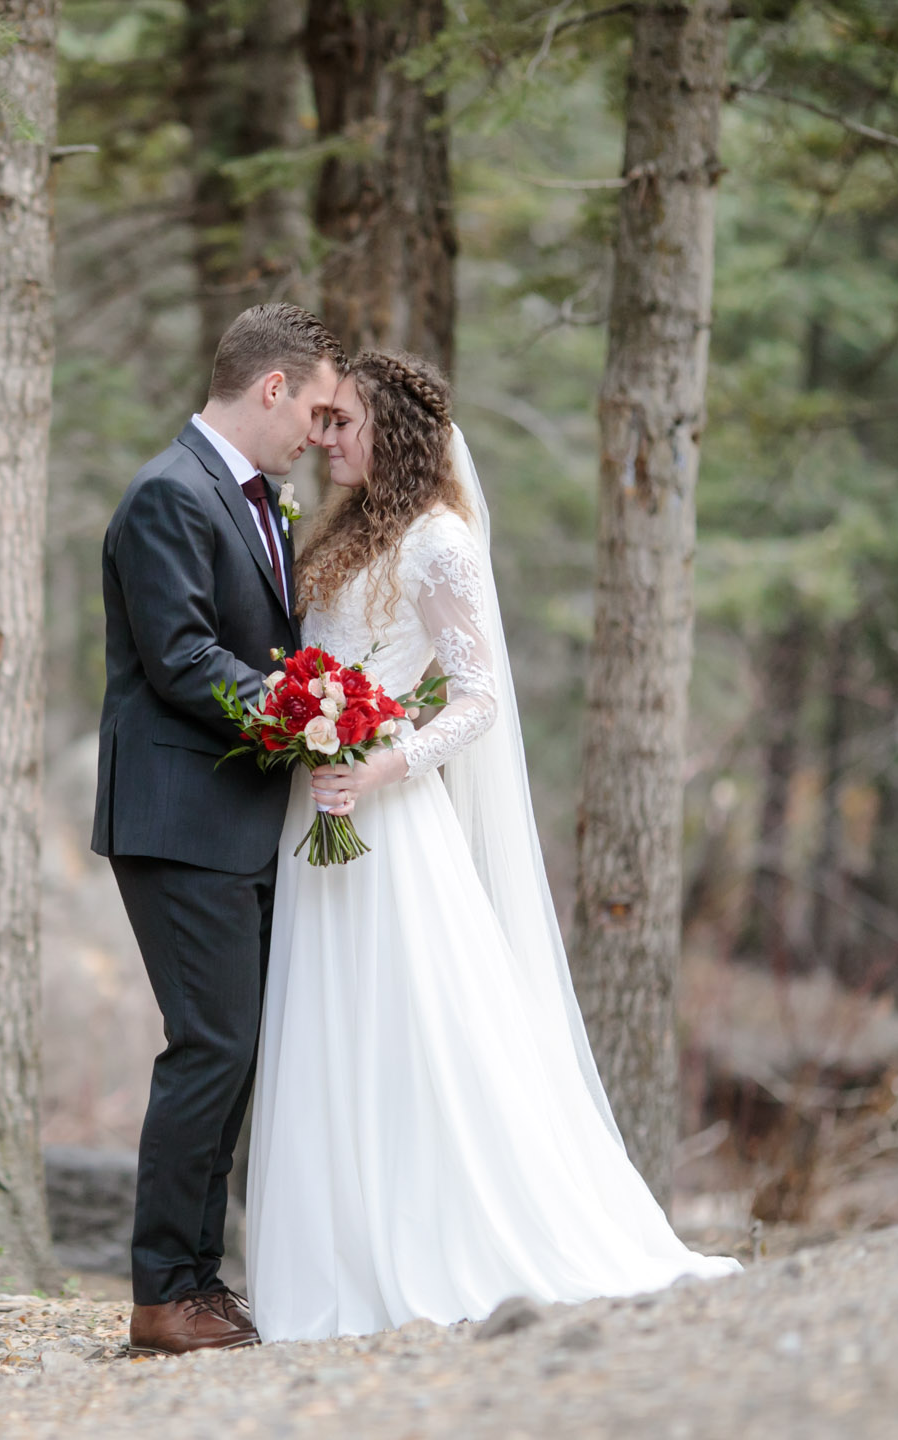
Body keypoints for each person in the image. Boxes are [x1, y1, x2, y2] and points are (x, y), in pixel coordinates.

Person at [246, 349, 741, 1341]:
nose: (326, 435)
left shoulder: (437, 541)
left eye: (344, 422)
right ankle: (336, 1248)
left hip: (388, 816)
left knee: (415, 1027)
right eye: (324, 420)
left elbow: (476, 701)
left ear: (392, 431)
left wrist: (381, 763)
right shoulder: (340, 532)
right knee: (329, 1024)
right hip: (321, 803)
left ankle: (446, 1233)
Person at [91, 301, 343, 1356]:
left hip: (237, 817)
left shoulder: (259, 504)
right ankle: (162, 1291)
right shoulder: (167, 495)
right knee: (212, 1047)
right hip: (181, 815)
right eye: (318, 410)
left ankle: (200, 1279)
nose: (322, 435)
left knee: (233, 1053)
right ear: (272, 387)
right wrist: (309, 719)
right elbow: (183, 657)